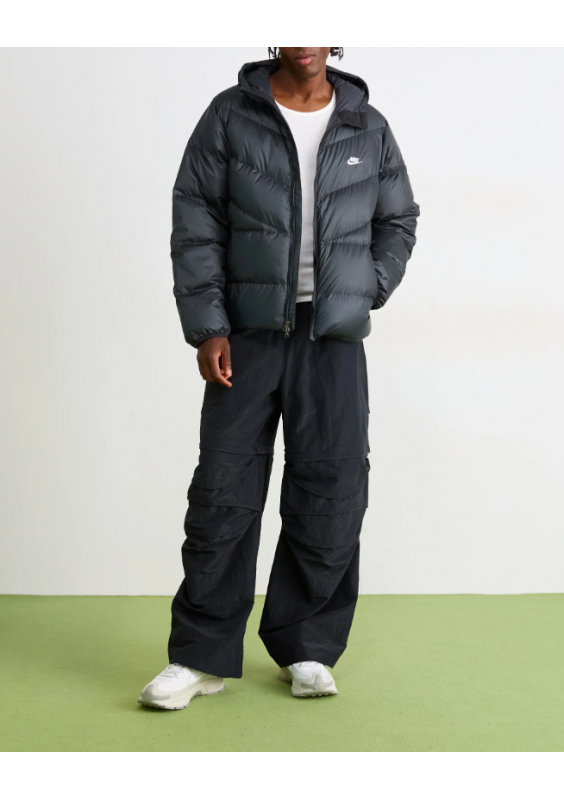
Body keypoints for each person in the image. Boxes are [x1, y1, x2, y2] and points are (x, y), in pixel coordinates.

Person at [138, 47, 419, 709]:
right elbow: (196, 218)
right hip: (247, 331)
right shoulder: (230, 115)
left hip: (333, 335)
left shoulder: (367, 125)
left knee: (333, 488)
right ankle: (200, 656)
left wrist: (364, 288)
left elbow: (398, 219)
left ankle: (307, 647)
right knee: (223, 491)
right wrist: (208, 326)